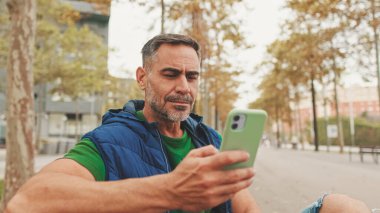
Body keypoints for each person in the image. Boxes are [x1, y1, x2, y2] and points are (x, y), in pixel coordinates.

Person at [5, 34, 372, 213]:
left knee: (340, 205)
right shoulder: (109, 140)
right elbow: (27, 202)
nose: (183, 87)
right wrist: (170, 191)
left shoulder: (209, 138)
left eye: (192, 76)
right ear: (142, 77)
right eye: (170, 74)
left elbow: (244, 207)